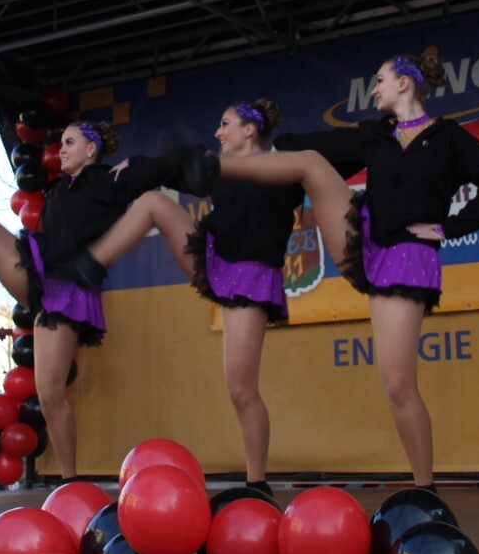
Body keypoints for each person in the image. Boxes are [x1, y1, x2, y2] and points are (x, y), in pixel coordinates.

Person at [177, 53, 479, 491]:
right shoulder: (377, 135)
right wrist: (265, 149)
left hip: (408, 259)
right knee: (311, 160)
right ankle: (215, 167)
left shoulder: (448, 138)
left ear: (405, 84)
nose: (374, 89)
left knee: (397, 384)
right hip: (365, 244)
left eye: (380, 80)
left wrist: (449, 227)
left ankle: (425, 489)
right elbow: (316, 147)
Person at [0, 120, 174, 481]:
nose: (62, 150)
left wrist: (132, 165)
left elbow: (157, 173)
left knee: (50, 395)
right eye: (62, 143)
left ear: (92, 149)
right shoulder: (57, 189)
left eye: (70, 143)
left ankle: (70, 480)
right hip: (39, 271)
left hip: (68, 286)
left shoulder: (108, 181)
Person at [60, 99, 304, 498]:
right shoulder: (218, 170)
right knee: (152, 202)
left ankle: (258, 483)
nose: (218, 132)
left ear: (249, 129)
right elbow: (171, 166)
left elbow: (333, 162)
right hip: (213, 260)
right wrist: (134, 165)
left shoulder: (284, 169)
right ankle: (91, 263)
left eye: (225, 124)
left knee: (240, 388)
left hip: (250, 276)